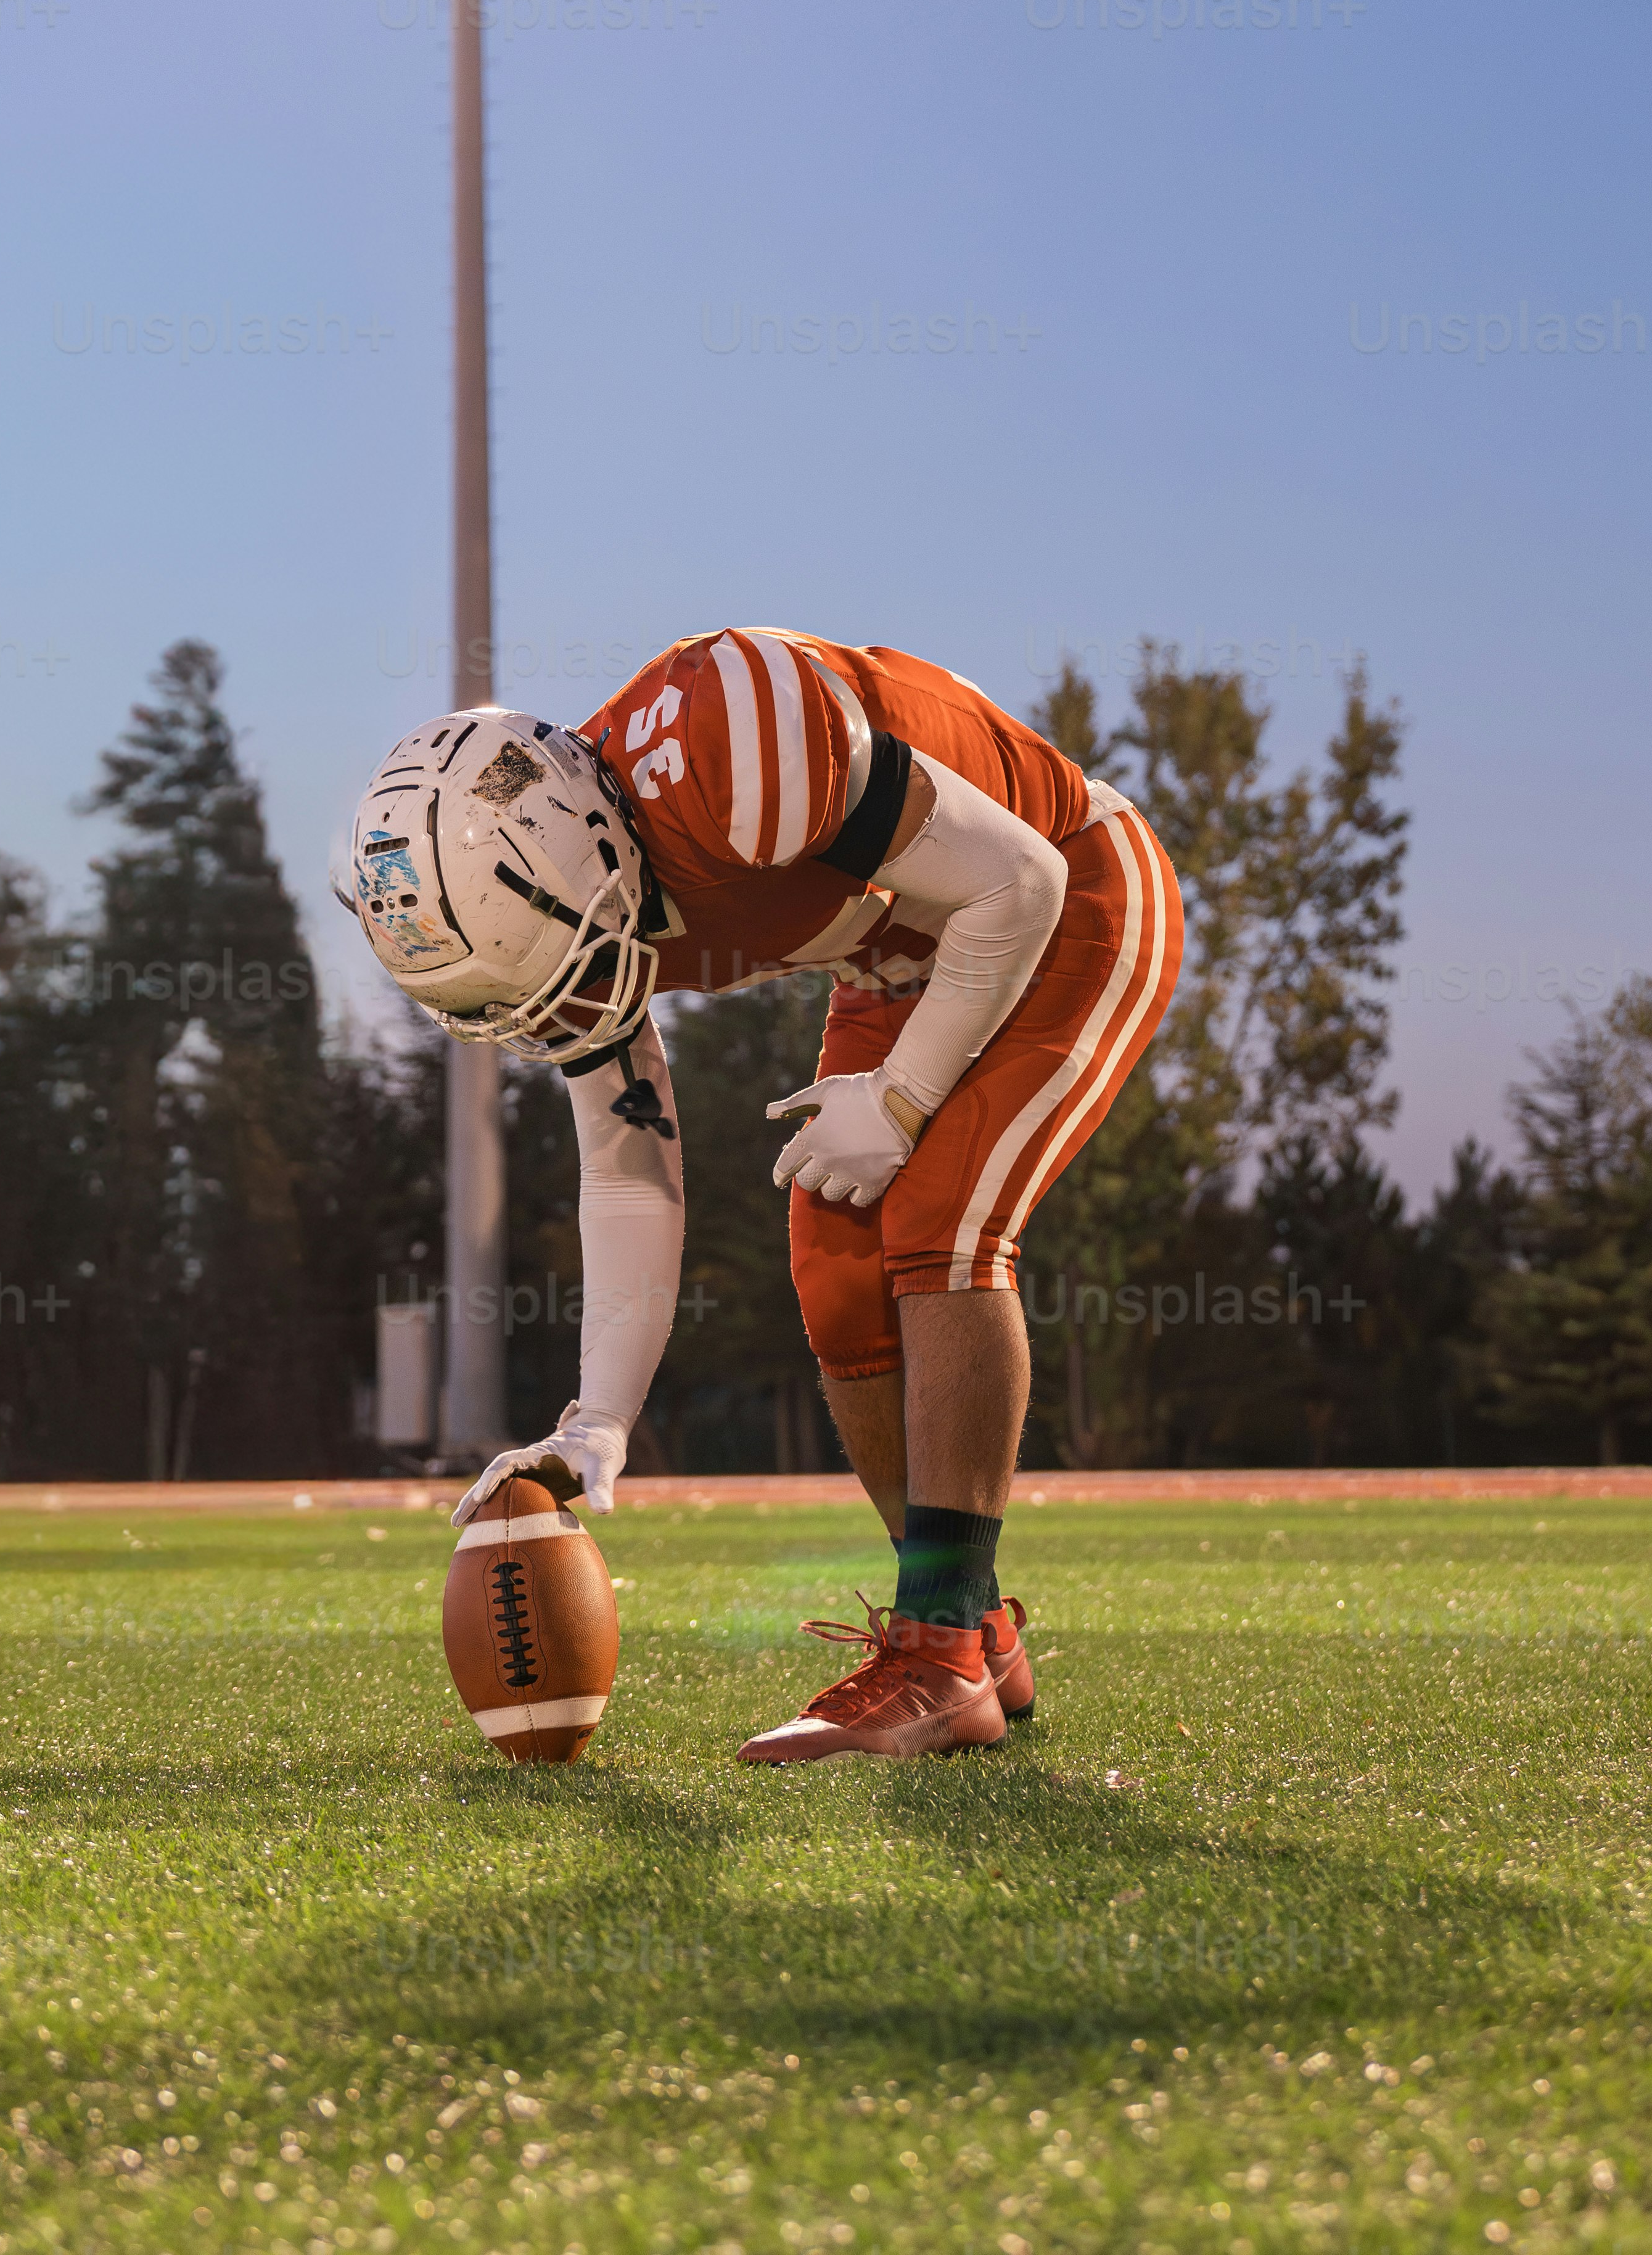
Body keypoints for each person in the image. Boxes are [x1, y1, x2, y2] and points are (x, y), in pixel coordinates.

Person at [334, 628, 1183, 1762]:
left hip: (1066, 888)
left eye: (569, 972)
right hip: (901, 961)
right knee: (836, 1267)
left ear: (591, 853)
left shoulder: (728, 738)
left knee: (939, 1225)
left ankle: (939, 1653)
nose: (568, 1013)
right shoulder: (569, 883)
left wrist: (902, 1097)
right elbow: (628, 1168)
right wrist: (597, 1421)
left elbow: (1018, 881)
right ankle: (967, 1624)